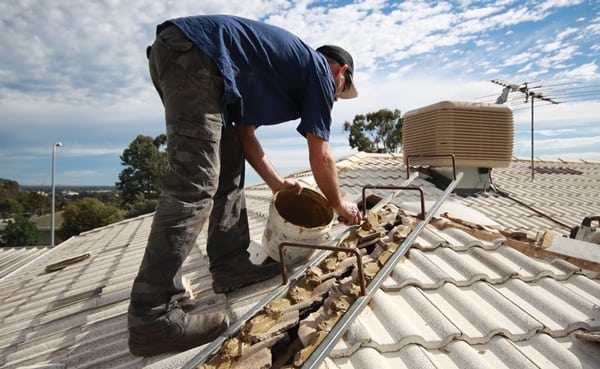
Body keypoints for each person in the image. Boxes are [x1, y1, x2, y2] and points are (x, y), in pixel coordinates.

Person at [128, 14, 362, 357]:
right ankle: (152, 317)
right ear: (339, 72)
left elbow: (245, 135)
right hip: (194, 54)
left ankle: (229, 263)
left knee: (227, 162)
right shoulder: (319, 72)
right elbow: (321, 155)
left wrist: (276, 183)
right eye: (343, 90)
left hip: (190, 56)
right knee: (195, 183)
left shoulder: (270, 70)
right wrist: (340, 205)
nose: (337, 99)